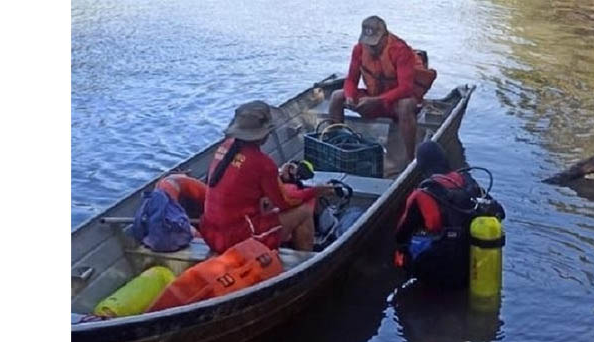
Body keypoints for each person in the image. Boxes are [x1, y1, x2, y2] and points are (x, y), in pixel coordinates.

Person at [200, 101, 334, 254]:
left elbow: (244, 183)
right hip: (237, 239)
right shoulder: (263, 163)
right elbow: (286, 203)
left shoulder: (225, 146)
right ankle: (306, 260)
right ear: (263, 134)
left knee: (267, 204)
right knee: (303, 212)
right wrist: (316, 191)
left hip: (210, 233)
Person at [394, 142, 505, 288]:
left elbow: (400, 235)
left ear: (421, 166)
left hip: (439, 269)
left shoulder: (420, 195)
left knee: (401, 250)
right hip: (472, 266)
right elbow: (500, 212)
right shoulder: (468, 183)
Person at [328, 16, 437, 162]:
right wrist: (349, 96)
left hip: (395, 102)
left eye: (375, 44)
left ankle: (410, 159)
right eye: (368, 43)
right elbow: (351, 80)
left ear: (385, 37)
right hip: (374, 97)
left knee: (405, 105)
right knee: (336, 96)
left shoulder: (400, 50)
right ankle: (335, 145)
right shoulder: (359, 49)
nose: (371, 48)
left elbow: (406, 88)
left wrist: (377, 101)